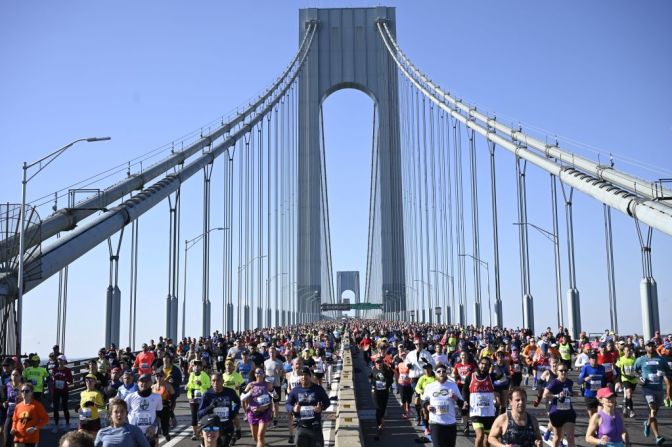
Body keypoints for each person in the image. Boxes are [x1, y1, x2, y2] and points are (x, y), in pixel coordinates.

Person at [634, 340, 671, 445]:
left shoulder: (661, 359)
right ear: (645, 347)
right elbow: (634, 371)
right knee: (653, 409)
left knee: (653, 414)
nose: (650, 347)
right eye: (648, 346)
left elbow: (668, 371)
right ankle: (657, 436)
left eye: (652, 345)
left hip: (659, 389)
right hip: (647, 388)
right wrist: (639, 378)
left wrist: (663, 373)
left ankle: (647, 422)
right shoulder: (641, 360)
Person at [285, 366, 331, 447]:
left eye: (306, 375)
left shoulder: (318, 389)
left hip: (315, 426)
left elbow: (327, 402)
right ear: (299, 377)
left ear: (310, 376)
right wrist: (294, 409)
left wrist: (321, 408)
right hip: (301, 426)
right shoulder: (295, 390)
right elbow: (287, 404)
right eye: (302, 375)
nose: (304, 377)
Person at [422, 363, 463, 447]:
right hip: (436, 423)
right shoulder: (430, 386)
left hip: (450, 423)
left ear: (446, 373)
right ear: (435, 373)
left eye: (443, 371)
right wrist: (427, 406)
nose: (441, 373)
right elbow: (424, 401)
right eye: (439, 371)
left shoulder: (453, 385)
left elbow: (462, 403)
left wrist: (456, 398)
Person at [197, 372, 241, 447]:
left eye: (218, 380)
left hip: (226, 427)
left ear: (223, 381)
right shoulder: (207, 394)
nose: (215, 383)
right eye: (213, 381)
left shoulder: (230, 392)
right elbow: (199, 414)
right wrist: (210, 407)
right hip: (212, 429)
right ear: (211, 382)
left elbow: (237, 402)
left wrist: (234, 412)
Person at [463, 357, 497, 447]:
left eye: (486, 365)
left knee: (487, 438)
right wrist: (465, 401)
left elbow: (502, 376)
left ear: (489, 366)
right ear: (478, 364)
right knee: (480, 435)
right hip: (476, 412)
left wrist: (495, 365)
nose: (484, 366)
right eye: (482, 363)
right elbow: (465, 390)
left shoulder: (492, 377)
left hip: (489, 412)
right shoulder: (471, 376)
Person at [542, 362, 576, 447]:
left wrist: (573, 393)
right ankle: (549, 431)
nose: (564, 372)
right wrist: (557, 395)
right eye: (561, 370)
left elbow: (572, 393)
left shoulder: (569, 382)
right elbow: (544, 395)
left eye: (565, 370)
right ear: (557, 371)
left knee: (571, 437)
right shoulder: (554, 383)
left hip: (568, 412)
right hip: (557, 413)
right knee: (558, 437)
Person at [125, 374, 163, 446]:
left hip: (150, 434)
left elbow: (159, 415)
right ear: (138, 383)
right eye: (142, 381)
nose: (144, 384)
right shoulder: (130, 397)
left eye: (147, 381)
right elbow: (124, 415)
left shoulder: (157, 397)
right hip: (133, 434)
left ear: (151, 383)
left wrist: (154, 426)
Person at [241, 368, 273, 447]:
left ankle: (261, 442)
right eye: (257, 372)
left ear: (264, 374)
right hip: (252, 413)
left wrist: (272, 409)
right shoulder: (250, 385)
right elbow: (242, 398)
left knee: (260, 435)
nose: (259, 374)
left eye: (261, 372)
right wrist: (249, 393)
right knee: (255, 437)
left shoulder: (268, 384)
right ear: (254, 374)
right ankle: (262, 443)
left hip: (264, 412)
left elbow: (274, 396)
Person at [10, 382, 49, 447]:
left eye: (27, 391)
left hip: (31, 438)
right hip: (18, 436)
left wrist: (35, 427)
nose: (24, 393)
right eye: (22, 391)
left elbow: (46, 418)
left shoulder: (37, 405)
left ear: (31, 392)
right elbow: (15, 420)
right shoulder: (18, 406)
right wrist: (13, 428)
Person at [369, 357, 394, 440]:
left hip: (384, 392)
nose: (378, 364)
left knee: (383, 408)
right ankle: (379, 425)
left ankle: (381, 420)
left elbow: (391, 380)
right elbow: (370, 378)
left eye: (380, 363)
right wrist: (373, 383)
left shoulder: (386, 370)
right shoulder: (373, 370)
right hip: (375, 392)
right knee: (378, 408)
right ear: (375, 363)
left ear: (382, 363)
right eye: (377, 363)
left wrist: (386, 383)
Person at [186, 360, 211, 441]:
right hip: (193, 398)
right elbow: (189, 384)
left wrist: (201, 384)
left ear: (201, 367)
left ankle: (201, 432)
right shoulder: (191, 375)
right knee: (194, 417)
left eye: (198, 366)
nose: (196, 367)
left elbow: (209, 385)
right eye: (195, 366)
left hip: (202, 399)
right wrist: (187, 386)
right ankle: (194, 433)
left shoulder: (205, 375)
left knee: (202, 416)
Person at [578, 353, 606, 418]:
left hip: (599, 395)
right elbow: (579, 381)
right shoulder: (585, 368)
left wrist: (607, 385)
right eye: (592, 360)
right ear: (589, 360)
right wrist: (584, 379)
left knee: (599, 415)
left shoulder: (602, 368)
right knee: (592, 417)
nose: (594, 362)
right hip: (589, 395)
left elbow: (604, 380)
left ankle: (599, 427)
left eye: (595, 360)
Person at [51, 354, 74, 433]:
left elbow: (71, 381)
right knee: (55, 408)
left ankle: (67, 424)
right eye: (59, 360)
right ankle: (56, 424)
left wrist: (65, 381)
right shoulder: (54, 369)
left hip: (64, 391)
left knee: (65, 407)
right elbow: (52, 378)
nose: (60, 361)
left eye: (61, 360)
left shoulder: (67, 370)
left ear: (64, 361)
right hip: (56, 391)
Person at [151, 369, 175, 442]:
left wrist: (171, 410)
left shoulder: (168, 386)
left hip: (165, 408)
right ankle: (155, 438)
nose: (158, 377)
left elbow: (173, 398)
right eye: (156, 376)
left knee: (165, 426)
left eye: (160, 376)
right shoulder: (152, 387)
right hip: (155, 408)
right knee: (155, 425)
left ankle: (166, 434)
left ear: (163, 376)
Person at [615, 345, 638, 418]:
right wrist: (618, 381)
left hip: (633, 379)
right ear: (624, 351)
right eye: (627, 350)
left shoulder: (634, 359)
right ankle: (631, 410)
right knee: (628, 393)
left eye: (629, 350)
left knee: (629, 396)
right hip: (625, 379)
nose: (628, 352)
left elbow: (638, 369)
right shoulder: (620, 359)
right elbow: (617, 371)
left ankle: (625, 405)